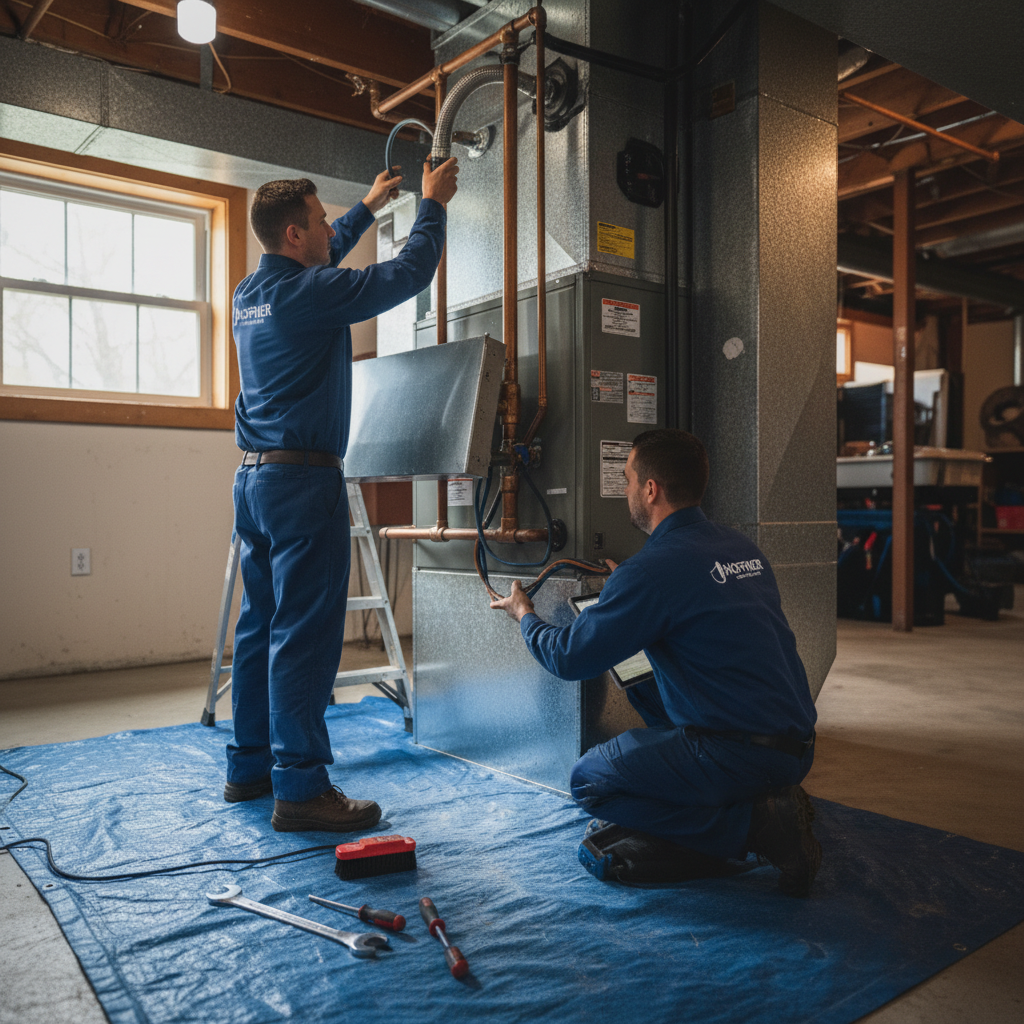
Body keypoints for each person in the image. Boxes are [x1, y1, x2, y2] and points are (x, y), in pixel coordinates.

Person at [225, 158, 459, 832]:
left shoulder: (251, 291)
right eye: (324, 222)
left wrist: (365, 205)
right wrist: (432, 205)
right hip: (302, 483)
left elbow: (320, 252)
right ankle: (300, 788)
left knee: (261, 627)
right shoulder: (312, 293)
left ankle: (249, 769)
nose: (332, 229)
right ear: (296, 236)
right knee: (303, 635)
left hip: (254, 480)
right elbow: (409, 274)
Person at [490, 429, 822, 896]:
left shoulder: (651, 572)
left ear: (651, 490)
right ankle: (761, 801)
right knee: (645, 684)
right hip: (798, 746)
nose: (626, 490)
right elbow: (699, 609)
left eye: (627, 480)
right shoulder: (740, 548)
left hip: (739, 754)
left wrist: (523, 613)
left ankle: (755, 827)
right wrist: (627, 588)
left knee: (589, 782)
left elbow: (568, 657)